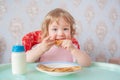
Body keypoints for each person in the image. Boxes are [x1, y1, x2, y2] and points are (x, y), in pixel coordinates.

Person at [22, 8, 91, 66]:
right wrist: (41, 49)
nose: (60, 34)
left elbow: (87, 63)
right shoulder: (42, 46)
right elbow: (25, 60)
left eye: (65, 29)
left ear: (71, 32)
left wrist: (73, 50)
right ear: (47, 31)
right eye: (55, 29)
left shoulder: (72, 47)